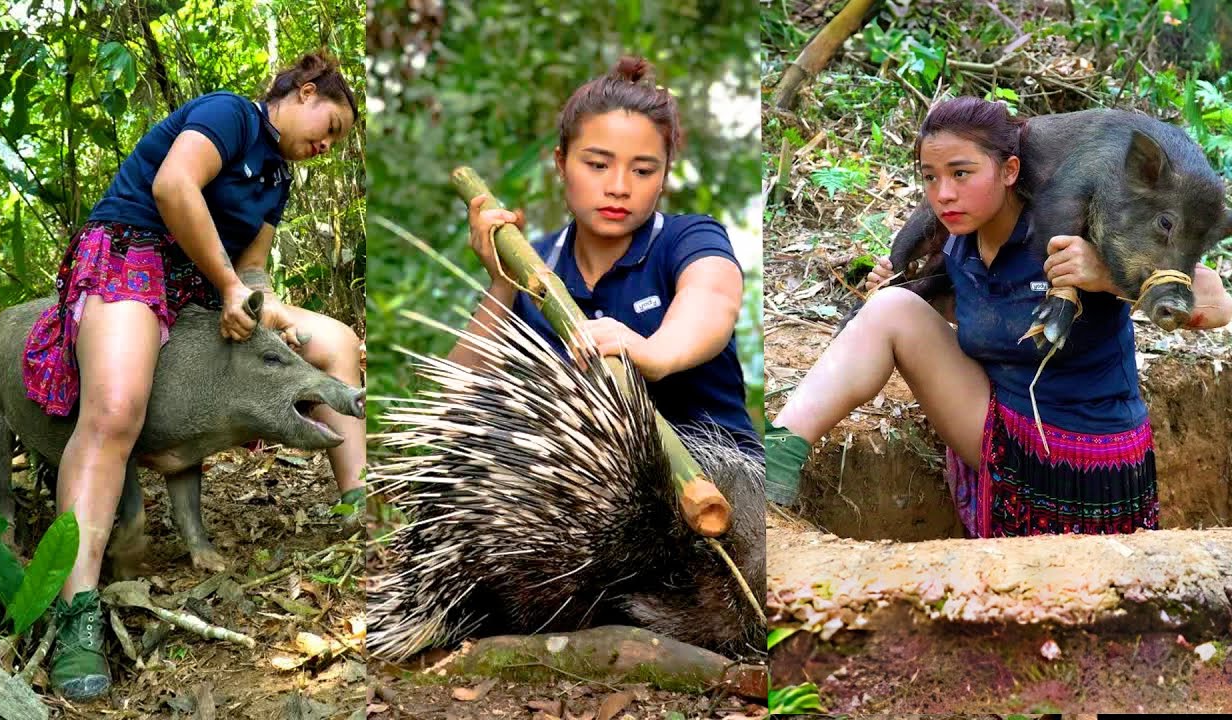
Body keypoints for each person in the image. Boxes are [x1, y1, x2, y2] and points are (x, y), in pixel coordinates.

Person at [22, 51, 361, 700]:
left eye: (337, 141)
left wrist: (257, 308)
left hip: (203, 291)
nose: (327, 144)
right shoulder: (229, 115)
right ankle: (77, 610)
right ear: (303, 91)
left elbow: (254, 267)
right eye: (330, 127)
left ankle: (356, 507)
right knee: (115, 409)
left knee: (337, 342)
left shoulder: (280, 181)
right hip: (131, 253)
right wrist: (231, 285)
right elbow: (173, 186)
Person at [767, 96, 1232, 536]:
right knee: (891, 308)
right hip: (1007, 435)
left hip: (1091, 458)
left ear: (1011, 170)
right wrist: (891, 290)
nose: (943, 193)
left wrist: (1102, 275)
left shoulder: (1078, 225)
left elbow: (1215, 303)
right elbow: (965, 318)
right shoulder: (958, 244)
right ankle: (774, 458)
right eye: (930, 177)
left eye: (962, 173)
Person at [447, 56, 760, 456]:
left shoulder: (688, 237)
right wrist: (500, 282)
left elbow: (713, 299)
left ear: (664, 176)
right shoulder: (535, 264)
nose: (618, 187)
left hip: (712, 473)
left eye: (643, 171)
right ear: (562, 163)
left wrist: (652, 353)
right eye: (597, 165)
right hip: (576, 491)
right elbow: (455, 400)